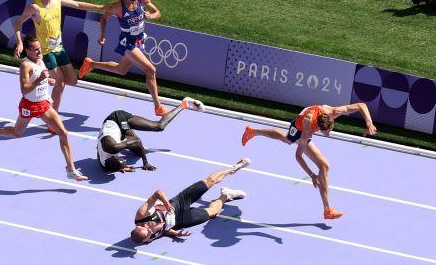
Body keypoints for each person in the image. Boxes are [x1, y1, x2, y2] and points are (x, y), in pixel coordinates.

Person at [241, 103, 377, 220]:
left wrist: (369, 122)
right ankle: (253, 132)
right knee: (289, 140)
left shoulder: (332, 112)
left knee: (324, 166)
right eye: (326, 132)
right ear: (318, 128)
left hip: (311, 115)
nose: (329, 134)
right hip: (300, 124)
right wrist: (312, 175)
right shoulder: (307, 132)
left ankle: (327, 210)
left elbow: (361, 105)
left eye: (330, 129)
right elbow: (298, 156)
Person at [0, 35, 88, 181]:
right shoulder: (25, 65)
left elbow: (42, 76)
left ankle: (71, 170)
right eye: (36, 50)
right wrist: (40, 79)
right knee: (17, 133)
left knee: (63, 133)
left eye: (39, 49)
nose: (39, 52)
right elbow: (24, 90)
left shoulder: (41, 58)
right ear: (27, 51)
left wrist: (48, 80)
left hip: (43, 104)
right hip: (29, 105)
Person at [12, 0, 103, 114]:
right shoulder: (34, 8)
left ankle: (51, 77)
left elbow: (78, 4)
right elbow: (17, 24)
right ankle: (52, 116)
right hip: (45, 52)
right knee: (60, 83)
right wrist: (19, 43)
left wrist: (100, 7)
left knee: (72, 81)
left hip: (59, 49)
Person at [79, 0, 167, 115]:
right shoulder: (117, 7)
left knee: (121, 70)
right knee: (151, 70)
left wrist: (151, 16)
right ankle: (158, 107)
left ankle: (91, 64)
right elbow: (103, 18)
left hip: (139, 41)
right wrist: (102, 34)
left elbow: (157, 12)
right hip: (127, 44)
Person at [130, 159, 251, 244]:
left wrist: (167, 205)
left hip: (176, 204)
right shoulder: (147, 237)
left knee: (209, 181)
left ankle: (233, 168)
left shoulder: (141, 215)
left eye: (149, 229)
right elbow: (163, 231)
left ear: (142, 226)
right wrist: (175, 233)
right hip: (180, 220)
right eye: (150, 235)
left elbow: (158, 192)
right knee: (213, 212)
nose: (151, 230)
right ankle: (225, 195)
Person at [97, 98, 205, 173]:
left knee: (159, 126)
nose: (125, 162)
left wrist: (145, 163)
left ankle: (184, 104)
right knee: (137, 152)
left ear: (115, 157)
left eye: (122, 161)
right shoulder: (104, 165)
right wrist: (120, 166)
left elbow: (137, 142)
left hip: (118, 120)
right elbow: (101, 154)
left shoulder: (115, 148)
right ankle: (127, 138)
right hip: (115, 133)